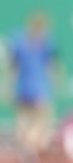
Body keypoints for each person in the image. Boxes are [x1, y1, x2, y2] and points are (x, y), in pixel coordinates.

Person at [9, 12, 57, 161]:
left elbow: (14, 68)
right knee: (41, 122)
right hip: (38, 90)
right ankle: (30, 148)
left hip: (22, 89)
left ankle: (26, 149)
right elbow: (50, 68)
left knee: (23, 123)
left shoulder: (20, 42)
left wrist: (10, 87)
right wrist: (53, 85)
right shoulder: (45, 44)